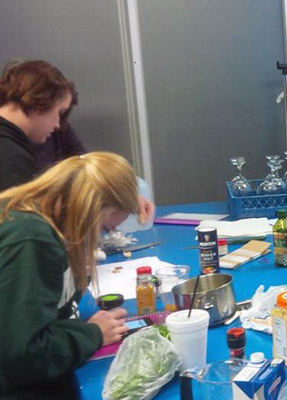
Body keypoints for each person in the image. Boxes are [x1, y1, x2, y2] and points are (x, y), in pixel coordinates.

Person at [0, 152, 139, 398]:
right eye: (104, 228)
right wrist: (93, 334)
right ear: (90, 207)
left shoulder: (42, 220)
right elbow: (22, 355)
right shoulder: (31, 239)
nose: (99, 238)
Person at [0, 59, 154, 224]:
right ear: (38, 103)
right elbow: (25, 221)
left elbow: (91, 171)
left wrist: (121, 195)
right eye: (60, 112)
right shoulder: (10, 155)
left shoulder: (52, 133)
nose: (58, 124)